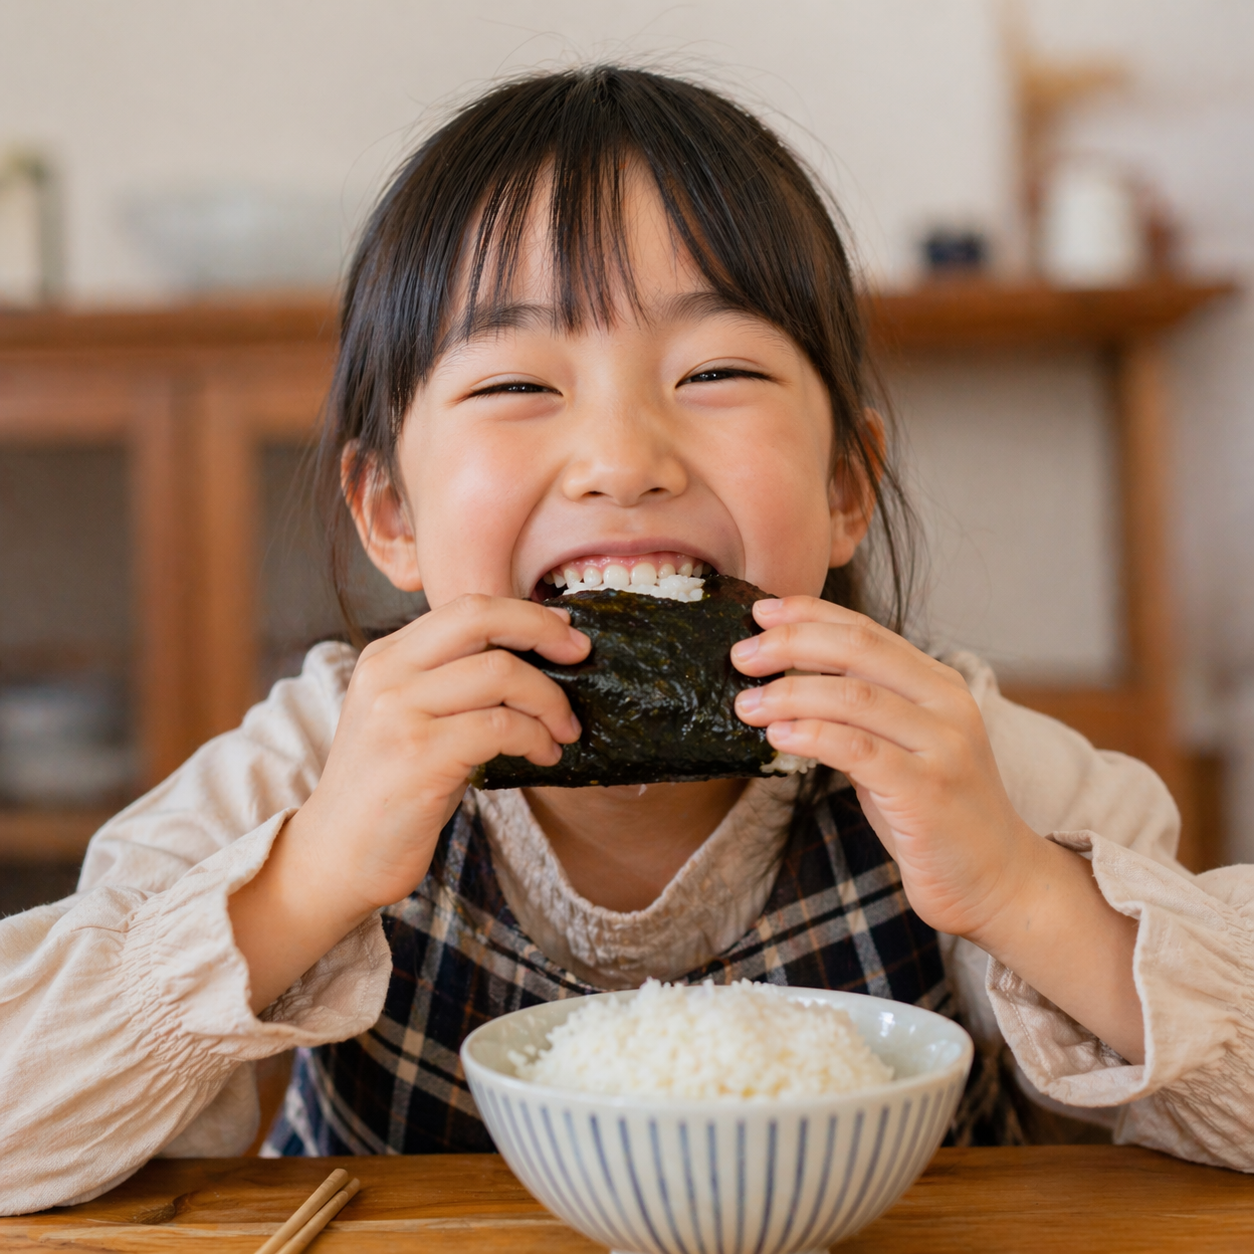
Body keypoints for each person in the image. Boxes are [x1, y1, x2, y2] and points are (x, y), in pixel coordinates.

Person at [3, 66, 1252, 1215]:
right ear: (391, 514)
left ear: (844, 485)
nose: (621, 460)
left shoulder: (966, 762)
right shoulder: (312, 764)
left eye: (715, 373)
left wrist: (1019, 887)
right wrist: (307, 880)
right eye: (516, 385)